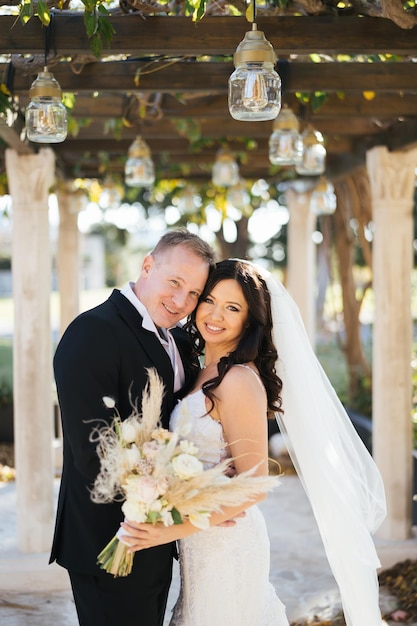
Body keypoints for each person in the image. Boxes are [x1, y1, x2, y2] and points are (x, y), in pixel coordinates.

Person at [121, 259, 387, 626]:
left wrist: (171, 529)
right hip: (199, 544)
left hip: (227, 547)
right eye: (209, 300)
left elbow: (253, 486)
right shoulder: (202, 373)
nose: (215, 315)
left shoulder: (240, 381)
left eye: (232, 308)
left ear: (251, 320)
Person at [49, 229, 216, 626]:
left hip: (157, 539)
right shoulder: (93, 332)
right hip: (110, 541)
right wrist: (190, 503)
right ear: (147, 266)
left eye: (194, 294)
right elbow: (97, 453)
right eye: (174, 282)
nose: (181, 302)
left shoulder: (176, 339)